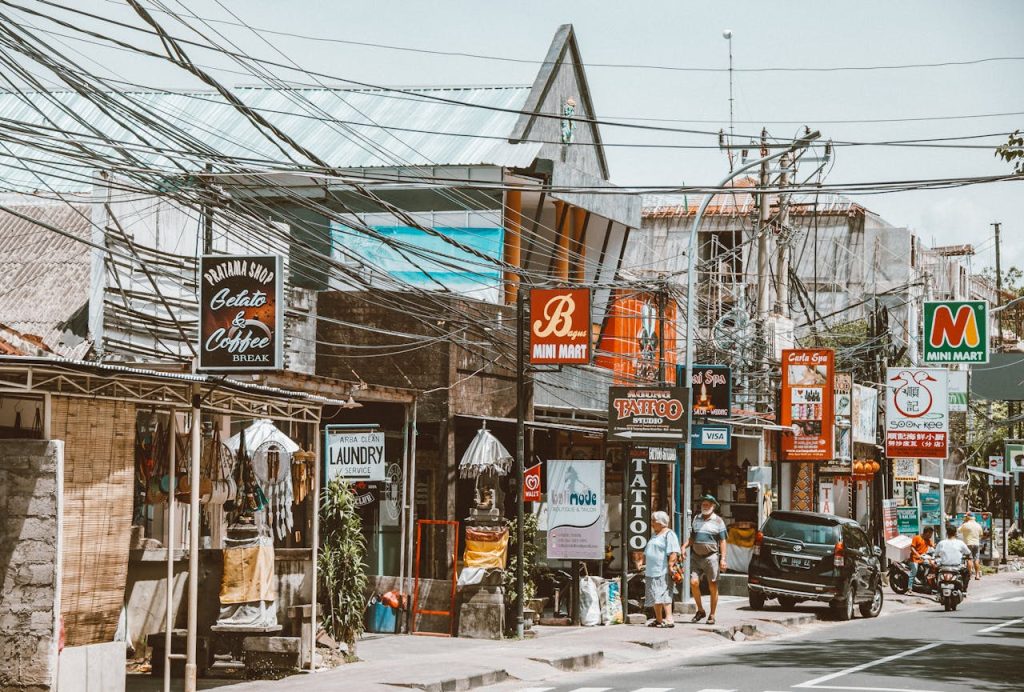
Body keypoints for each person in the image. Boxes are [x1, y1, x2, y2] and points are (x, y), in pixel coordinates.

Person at [685, 494, 728, 625]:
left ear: (713, 506)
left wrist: (723, 559)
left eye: (708, 504)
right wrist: (684, 546)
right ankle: (701, 610)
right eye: (703, 504)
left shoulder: (718, 521)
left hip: (711, 557)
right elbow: (692, 537)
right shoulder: (696, 518)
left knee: (712, 585)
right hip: (696, 556)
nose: (705, 506)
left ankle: (712, 614)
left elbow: (723, 541)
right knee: (693, 583)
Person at [643, 510, 680, 628]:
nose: (652, 523)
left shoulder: (669, 534)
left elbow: (674, 552)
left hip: (662, 570)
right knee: (654, 596)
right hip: (651, 570)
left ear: (660, 522)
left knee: (664, 594)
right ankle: (659, 619)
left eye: (654, 521)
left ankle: (669, 619)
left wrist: (670, 566)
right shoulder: (655, 535)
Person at [935, 525, 971, 593]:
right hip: (957, 567)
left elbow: (936, 554)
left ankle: (937, 589)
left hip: (943, 567)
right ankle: (964, 589)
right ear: (955, 533)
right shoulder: (960, 543)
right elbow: (968, 552)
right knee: (967, 573)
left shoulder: (941, 543)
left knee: (935, 572)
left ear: (947, 533)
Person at [957, 513, 983, 581]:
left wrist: (963, 523)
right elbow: (981, 534)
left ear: (968, 517)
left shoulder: (965, 525)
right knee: (976, 559)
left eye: (966, 517)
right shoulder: (978, 525)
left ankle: (969, 574)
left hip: (968, 544)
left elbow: (958, 531)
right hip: (976, 544)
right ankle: (977, 575)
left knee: (969, 559)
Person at [909, 526, 934, 590]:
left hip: (923, 558)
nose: (931, 535)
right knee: (914, 571)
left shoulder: (928, 540)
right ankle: (909, 588)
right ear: (927, 533)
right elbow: (912, 547)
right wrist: (917, 555)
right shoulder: (917, 538)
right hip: (914, 558)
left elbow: (933, 546)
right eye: (930, 533)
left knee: (931, 566)